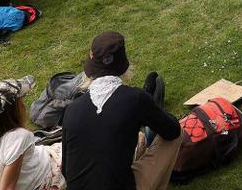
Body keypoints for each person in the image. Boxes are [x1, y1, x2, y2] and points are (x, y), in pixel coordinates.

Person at [62, 31, 181, 190]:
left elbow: (66, 169)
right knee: (176, 135)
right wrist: (154, 111)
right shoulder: (134, 98)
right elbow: (173, 131)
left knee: (136, 139)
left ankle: (150, 119)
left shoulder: (72, 109)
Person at [0, 76, 66, 190]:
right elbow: (7, 188)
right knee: (79, 149)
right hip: (43, 175)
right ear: (12, 112)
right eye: (20, 100)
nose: (23, 105)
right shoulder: (18, 138)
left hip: (37, 160)